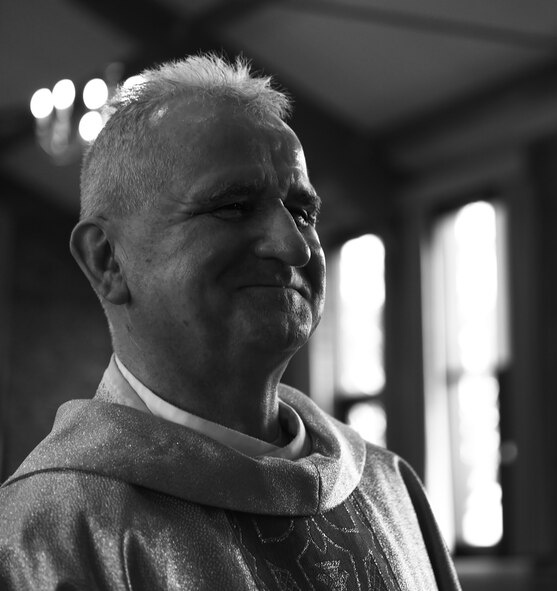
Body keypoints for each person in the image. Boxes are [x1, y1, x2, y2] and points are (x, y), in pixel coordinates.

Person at [0, 54, 460, 590]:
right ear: (108, 261)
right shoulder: (38, 539)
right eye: (234, 206)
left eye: (304, 213)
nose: (292, 246)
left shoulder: (390, 488)